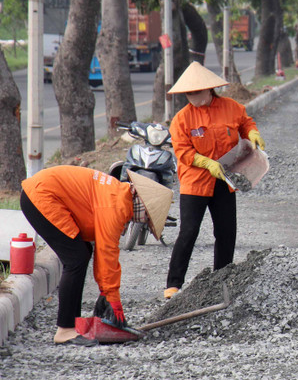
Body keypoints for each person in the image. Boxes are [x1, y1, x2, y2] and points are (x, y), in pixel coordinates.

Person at [20, 166, 172, 346]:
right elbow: (107, 253)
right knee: (76, 259)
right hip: (40, 197)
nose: (144, 220)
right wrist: (112, 299)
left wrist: (105, 292)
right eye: (148, 216)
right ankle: (65, 330)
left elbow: (102, 251)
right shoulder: (117, 205)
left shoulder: (119, 193)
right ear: (143, 204)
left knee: (82, 253)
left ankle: (73, 325)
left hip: (41, 192)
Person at [164, 61, 265, 299]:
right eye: (188, 93)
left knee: (226, 232)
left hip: (224, 180)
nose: (191, 97)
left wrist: (252, 132)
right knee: (188, 231)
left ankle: (222, 278)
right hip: (195, 181)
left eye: (195, 92)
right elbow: (184, 152)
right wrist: (207, 163)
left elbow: (245, 123)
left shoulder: (232, 107)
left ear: (209, 89)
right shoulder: (181, 119)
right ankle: (173, 284)